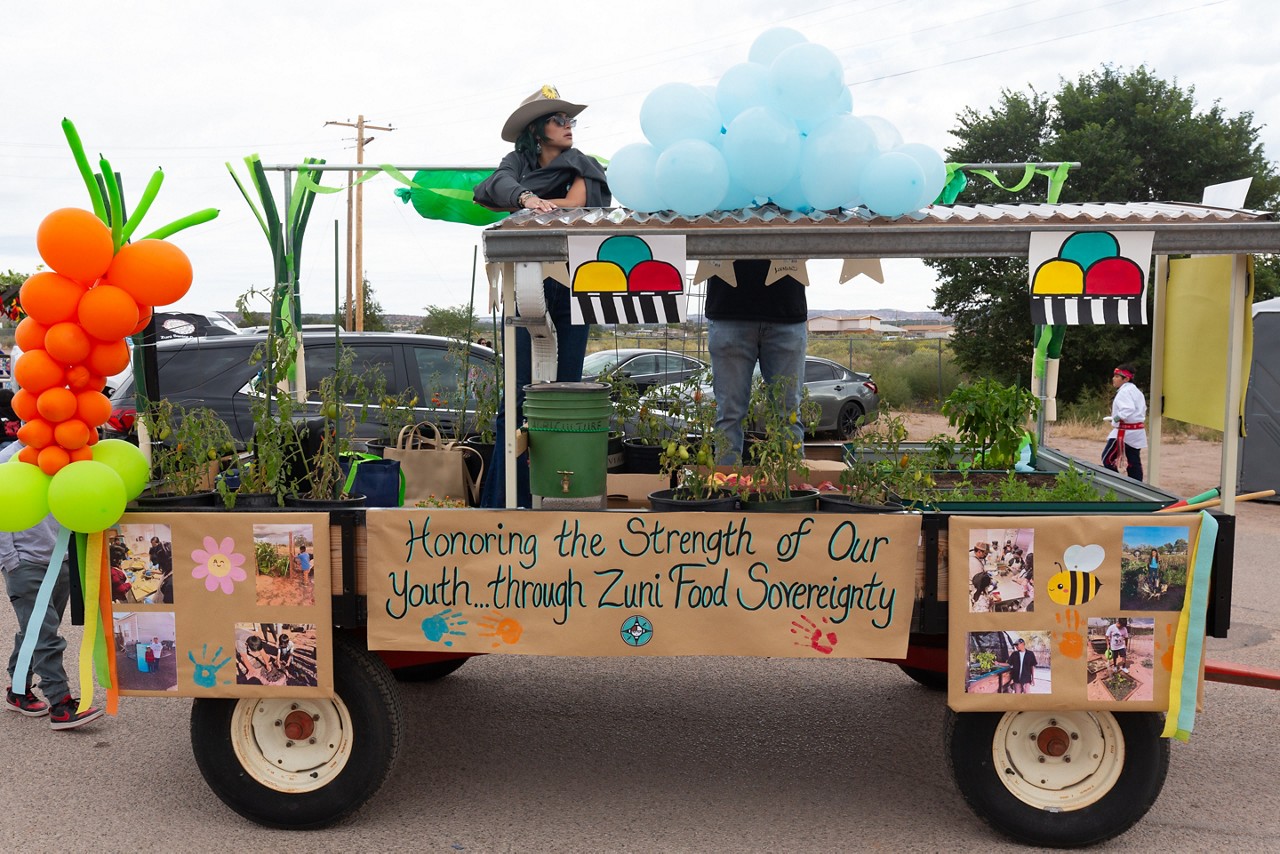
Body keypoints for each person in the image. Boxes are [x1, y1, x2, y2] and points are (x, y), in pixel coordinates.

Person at [473, 86, 611, 508]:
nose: (568, 126)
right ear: (536, 130)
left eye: (571, 120)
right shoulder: (515, 163)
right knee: (513, 401)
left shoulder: (582, 164)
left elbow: (576, 205)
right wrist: (525, 198)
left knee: (562, 393)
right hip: (527, 282)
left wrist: (524, 205)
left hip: (572, 284)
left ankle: (554, 502)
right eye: (559, 120)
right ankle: (502, 504)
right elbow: (496, 185)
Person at [1, 444, 102, 728]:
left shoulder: (68, 454)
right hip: (26, 564)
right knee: (45, 634)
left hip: (61, 556)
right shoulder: (9, 460)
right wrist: (10, 560)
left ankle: (18, 690)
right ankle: (61, 704)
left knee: (37, 629)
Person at [704, 260, 807, 463]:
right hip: (730, 311)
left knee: (787, 412)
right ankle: (726, 489)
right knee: (729, 413)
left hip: (785, 312)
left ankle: (793, 489)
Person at [1102, 363, 1147, 480]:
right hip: (1137, 432)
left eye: (1117, 376)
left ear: (1126, 379)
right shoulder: (1137, 391)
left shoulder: (1124, 392)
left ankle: (1117, 484)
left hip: (1125, 432)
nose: (1114, 379)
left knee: (1107, 459)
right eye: (1114, 376)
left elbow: (1128, 409)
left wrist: (1115, 418)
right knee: (1133, 462)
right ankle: (1137, 487)